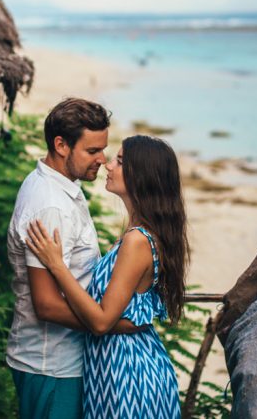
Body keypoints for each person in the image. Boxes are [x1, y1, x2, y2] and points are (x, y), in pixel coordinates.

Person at [26, 134, 186, 419]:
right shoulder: (136, 234)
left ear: (142, 176)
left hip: (129, 375)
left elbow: (100, 321)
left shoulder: (137, 241)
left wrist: (57, 266)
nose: (108, 165)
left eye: (120, 161)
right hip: (114, 368)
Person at [6, 98, 142, 419]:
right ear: (61, 145)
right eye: (92, 151)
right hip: (51, 365)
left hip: (63, 361)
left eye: (103, 149)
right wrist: (109, 325)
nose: (102, 159)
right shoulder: (50, 205)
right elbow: (46, 304)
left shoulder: (61, 186)